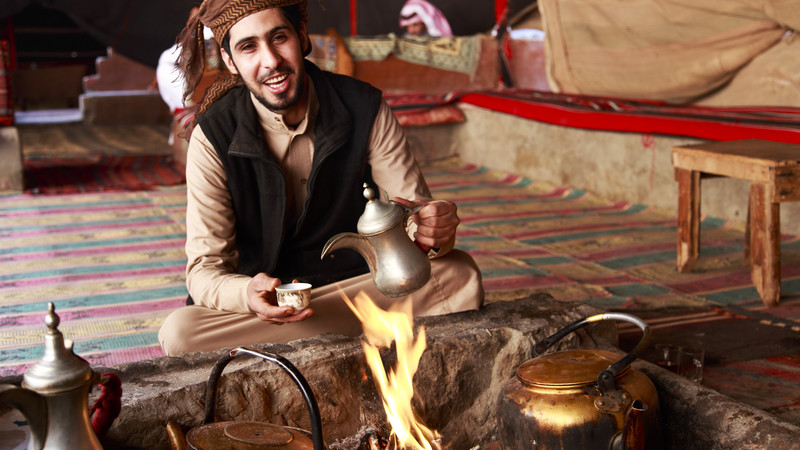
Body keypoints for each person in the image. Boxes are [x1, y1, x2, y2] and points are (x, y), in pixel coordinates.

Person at [157, 0, 483, 356]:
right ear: (230, 61)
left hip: (357, 288)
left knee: (458, 274)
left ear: (301, 36)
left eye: (279, 38)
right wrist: (247, 294)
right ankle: (355, 338)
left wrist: (432, 231)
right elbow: (205, 271)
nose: (271, 61)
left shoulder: (364, 108)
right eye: (249, 47)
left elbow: (412, 219)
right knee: (180, 333)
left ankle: (306, 344)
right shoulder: (213, 135)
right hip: (270, 312)